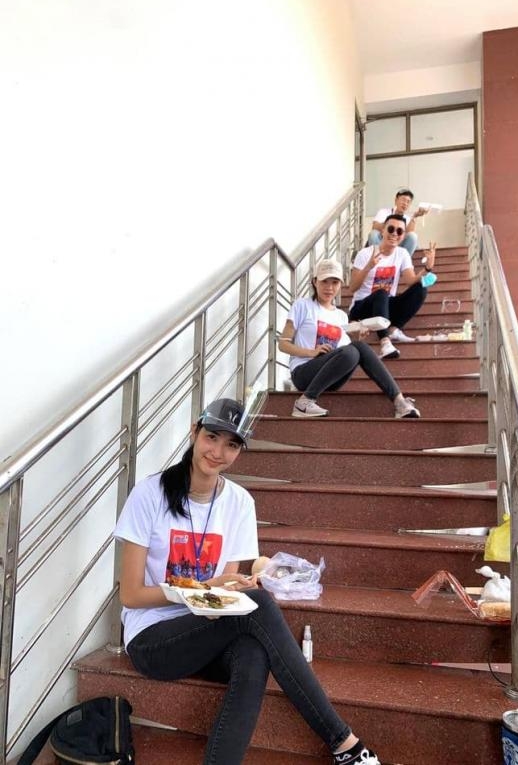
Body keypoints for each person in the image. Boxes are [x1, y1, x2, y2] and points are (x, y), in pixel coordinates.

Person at [114, 397, 382, 765]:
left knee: (254, 653)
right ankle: (344, 743)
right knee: (260, 606)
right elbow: (130, 595)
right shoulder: (150, 494)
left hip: (205, 629)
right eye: (211, 437)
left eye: (232, 444)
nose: (218, 452)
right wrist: (204, 590)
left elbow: (222, 586)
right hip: (152, 639)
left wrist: (239, 583)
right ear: (194, 433)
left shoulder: (240, 503)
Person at [278, 258, 420, 419]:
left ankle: (400, 402)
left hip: (329, 379)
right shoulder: (302, 306)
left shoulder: (341, 316)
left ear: (340, 285)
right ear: (315, 282)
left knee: (357, 347)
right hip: (303, 373)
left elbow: (344, 355)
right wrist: (311, 352)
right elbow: (283, 344)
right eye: (324, 281)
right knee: (352, 350)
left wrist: (356, 335)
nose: (329, 288)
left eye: (335, 282)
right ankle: (304, 402)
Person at [350, 214, 436, 356]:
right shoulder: (365, 253)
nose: (394, 234)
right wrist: (368, 267)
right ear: (383, 230)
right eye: (391, 229)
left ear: (403, 236)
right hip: (362, 308)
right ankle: (385, 342)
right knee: (382, 292)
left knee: (420, 289)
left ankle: (393, 329)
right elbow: (352, 287)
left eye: (399, 231)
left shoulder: (402, 254)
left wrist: (427, 268)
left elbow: (410, 280)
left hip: (384, 307)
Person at [367, 188, 429, 256]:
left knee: (413, 236)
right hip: (383, 243)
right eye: (403, 200)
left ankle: (403, 260)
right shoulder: (384, 212)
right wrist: (392, 222)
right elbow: (375, 226)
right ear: (396, 200)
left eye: (408, 202)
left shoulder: (408, 219)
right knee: (373, 234)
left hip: (399, 245)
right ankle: (378, 258)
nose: (405, 203)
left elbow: (410, 235)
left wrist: (415, 216)